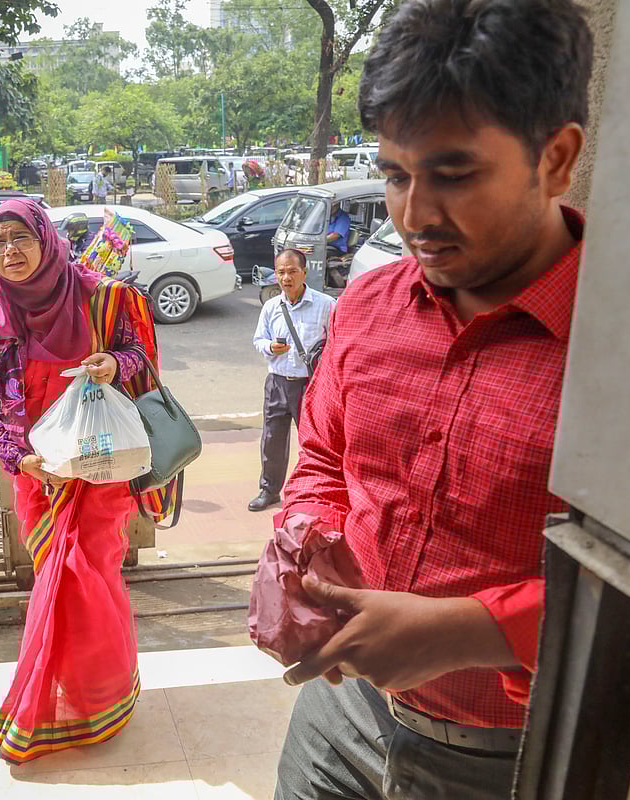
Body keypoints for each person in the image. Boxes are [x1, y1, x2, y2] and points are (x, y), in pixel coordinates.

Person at [264, 1, 592, 798]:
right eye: (395, 174)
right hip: (339, 723)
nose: (414, 216)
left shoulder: (623, 347)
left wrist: (480, 631)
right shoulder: (369, 307)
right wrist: (306, 543)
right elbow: (324, 458)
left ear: (556, 158)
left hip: (512, 759)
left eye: (452, 175)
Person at [0, 197, 161, 764]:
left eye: (20, 238)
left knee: (90, 578)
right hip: (40, 477)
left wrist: (112, 365)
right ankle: (68, 698)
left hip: (102, 469)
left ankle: (100, 697)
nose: (10, 252)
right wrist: (16, 457)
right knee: (56, 580)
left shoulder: (100, 297)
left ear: (45, 239)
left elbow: (139, 356)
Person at [247, 250, 334, 513]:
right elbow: (258, 339)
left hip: (310, 385)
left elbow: (338, 342)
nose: (286, 277)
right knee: (272, 439)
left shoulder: (326, 305)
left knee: (313, 443)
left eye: (292, 271)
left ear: (304, 273)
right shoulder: (272, 307)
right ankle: (269, 490)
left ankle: (311, 494)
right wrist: (270, 347)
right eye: (281, 272)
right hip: (276, 382)